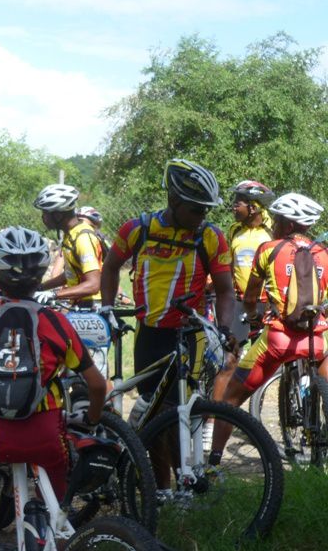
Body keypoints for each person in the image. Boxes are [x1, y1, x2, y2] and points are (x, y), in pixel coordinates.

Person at [0, 226, 107, 551]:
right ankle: (58, 534)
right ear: (40, 274)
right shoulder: (56, 322)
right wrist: (92, 417)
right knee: (57, 509)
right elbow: (97, 385)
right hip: (48, 438)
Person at [100, 159, 235, 416]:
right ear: (174, 199)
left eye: (206, 210)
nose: (202, 216)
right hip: (147, 334)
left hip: (188, 336)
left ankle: (174, 455)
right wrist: (107, 309)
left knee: (175, 410)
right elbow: (110, 266)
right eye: (196, 209)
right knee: (150, 404)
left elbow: (226, 291)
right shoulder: (138, 229)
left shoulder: (211, 237)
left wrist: (224, 329)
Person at [212, 193, 328, 460]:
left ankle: (213, 463)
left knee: (231, 399)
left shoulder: (269, 249)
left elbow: (251, 297)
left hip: (278, 340)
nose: (272, 224)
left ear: (287, 225)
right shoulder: (324, 253)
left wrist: (252, 317)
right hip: (316, 340)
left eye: (276, 220)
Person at [212, 180, 275, 400]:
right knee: (229, 360)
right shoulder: (234, 230)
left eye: (238, 202)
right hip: (240, 302)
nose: (233, 206)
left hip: (266, 302)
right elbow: (229, 265)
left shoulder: (272, 230)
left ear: (254, 206)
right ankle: (214, 419)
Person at [33, 184, 103, 307]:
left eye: (45, 213)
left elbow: (93, 285)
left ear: (58, 215)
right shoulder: (70, 235)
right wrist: (40, 288)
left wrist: (54, 295)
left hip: (91, 305)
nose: (43, 218)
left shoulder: (82, 239)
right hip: (78, 303)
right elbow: (70, 274)